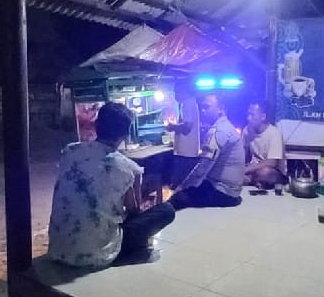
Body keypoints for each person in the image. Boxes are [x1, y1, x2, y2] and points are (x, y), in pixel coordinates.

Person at [47, 103, 176, 268]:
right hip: (97, 255)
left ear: (96, 125)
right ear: (125, 134)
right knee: (166, 210)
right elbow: (133, 211)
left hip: (58, 250)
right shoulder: (128, 168)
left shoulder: (69, 151)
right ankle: (129, 253)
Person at [168, 94, 245, 210]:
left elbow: (203, 167)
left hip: (223, 192)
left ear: (220, 108)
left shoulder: (218, 131)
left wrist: (182, 187)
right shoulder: (226, 126)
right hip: (231, 190)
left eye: (207, 107)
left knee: (176, 200)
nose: (203, 111)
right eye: (202, 107)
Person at [243, 101, 286, 189]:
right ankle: (253, 181)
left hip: (272, 171)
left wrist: (247, 169)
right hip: (253, 169)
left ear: (263, 117)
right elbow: (242, 152)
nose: (248, 118)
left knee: (265, 172)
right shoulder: (247, 130)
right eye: (248, 114)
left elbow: (272, 162)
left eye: (252, 115)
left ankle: (251, 180)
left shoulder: (274, 133)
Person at [166, 80, 201, 188]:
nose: (175, 95)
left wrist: (172, 127)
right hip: (187, 153)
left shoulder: (188, 104)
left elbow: (187, 127)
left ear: (184, 91)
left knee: (181, 185)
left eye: (177, 92)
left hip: (186, 153)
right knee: (184, 184)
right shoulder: (189, 103)